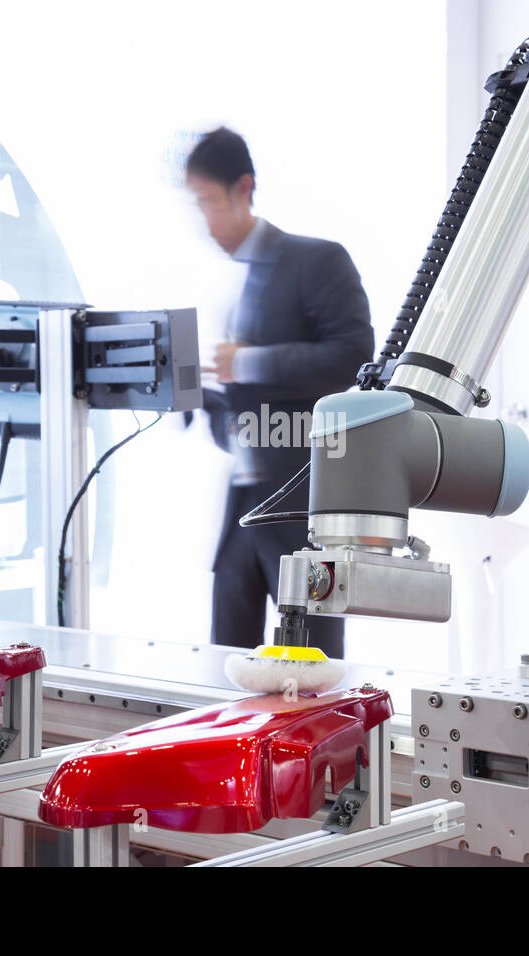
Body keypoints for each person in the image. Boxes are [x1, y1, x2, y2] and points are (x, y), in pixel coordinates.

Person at [186, 127, 373, 660]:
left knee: (308, 677)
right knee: (227, 678)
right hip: (244, 507)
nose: (205, 223)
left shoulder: (316, 261)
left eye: (209, 203)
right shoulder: (238, 284)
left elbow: (353, 358)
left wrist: (245, 361)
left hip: (303, 509)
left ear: (243, 189)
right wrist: (196, 397)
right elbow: (252, 405)